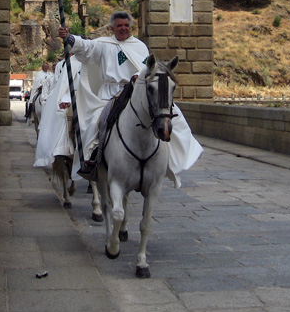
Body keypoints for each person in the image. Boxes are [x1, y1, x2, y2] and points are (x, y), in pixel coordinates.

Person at [58, 11, 203, 188]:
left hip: (135, 91)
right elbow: (87, 47)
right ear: (112, 28)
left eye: (126, 25)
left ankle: (169, 157)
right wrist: (70, 38)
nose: (123, 29)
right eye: (119, 26)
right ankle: (93, 159)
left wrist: (136, 77)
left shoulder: (139, 46)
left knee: (168, 114)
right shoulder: (104, 44)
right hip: (111, 93)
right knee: (95, 122)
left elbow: (146, 68)